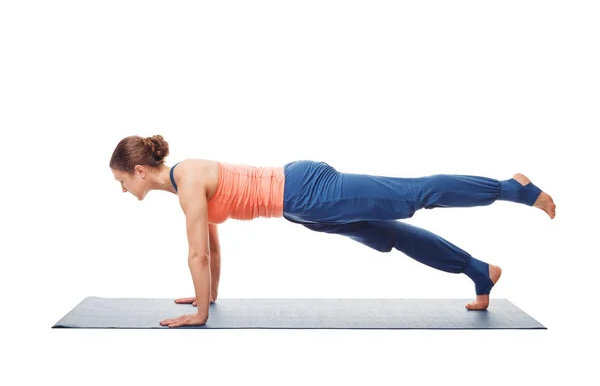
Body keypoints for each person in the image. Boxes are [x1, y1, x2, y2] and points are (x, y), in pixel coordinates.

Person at [110, 135, 556, 328]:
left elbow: (197, 257)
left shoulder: (187, 181)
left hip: (307, 190)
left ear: (139, 171)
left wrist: (201, 315)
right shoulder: (184, 187)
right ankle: (480, 272)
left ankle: (512, 189)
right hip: (302, 210)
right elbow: (212, 249)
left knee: (413, 194)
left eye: (121, 181)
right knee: (390, 234)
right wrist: (208, 298)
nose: (123, 189)